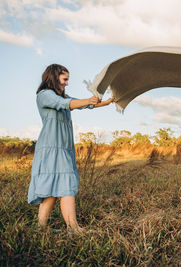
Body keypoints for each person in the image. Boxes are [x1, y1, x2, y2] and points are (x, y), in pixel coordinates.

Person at [28, 64, 114, 233]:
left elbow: (80, 104)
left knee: (60, 186)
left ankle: (46, 229)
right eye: (65, 79)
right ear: (53, 77)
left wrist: (106, 103)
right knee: (54, 189)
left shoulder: (65, 97)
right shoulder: (44, 95)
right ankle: (69, 229)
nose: (67, 83)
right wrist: (88, 101)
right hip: (50, 148)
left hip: (63, 148)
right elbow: (63, 103)